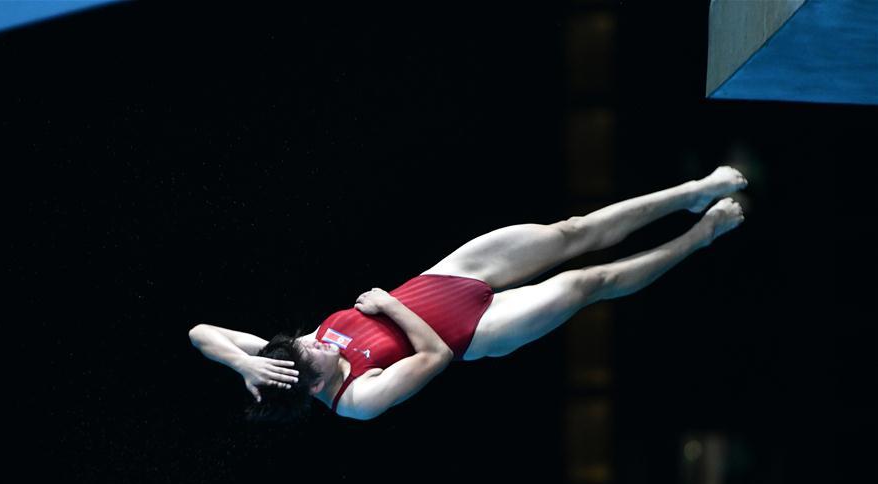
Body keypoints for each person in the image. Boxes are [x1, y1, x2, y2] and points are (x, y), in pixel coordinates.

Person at [189, 166, 747, 422]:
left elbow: (199, 332)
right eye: (312, 353)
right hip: (474, 332)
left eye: (305, 344)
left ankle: (694, 192)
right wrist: (387, 306)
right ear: (311, 385)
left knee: (572, 231)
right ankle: (702, 235)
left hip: (445, 278)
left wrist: (245, 363)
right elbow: (434, 356)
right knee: (588, 283)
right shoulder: (356, 400)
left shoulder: (295, 355)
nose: (315, 339)